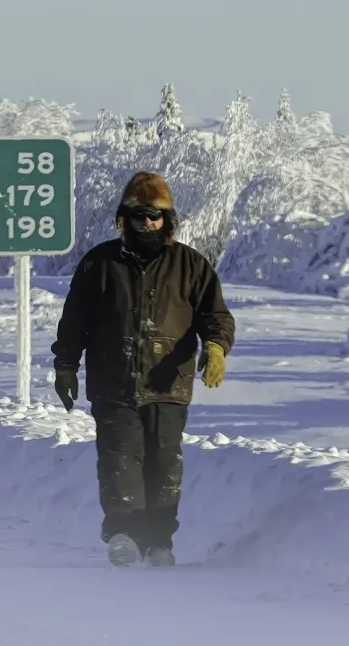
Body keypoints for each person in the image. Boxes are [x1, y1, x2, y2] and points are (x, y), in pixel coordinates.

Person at [50, 171, 235, 567]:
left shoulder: (190, 264)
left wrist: (215, 349)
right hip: (112, 380)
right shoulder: (99, 264)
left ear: (167, 219)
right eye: (139, 215)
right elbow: (74, 320)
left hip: (169, 383)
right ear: (124, 218)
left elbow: (215, 315)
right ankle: (123, 534)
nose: (147, 223)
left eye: (155, 215)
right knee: (119, 459)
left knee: (164, 463)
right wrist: (66, 364)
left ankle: (158, 541)